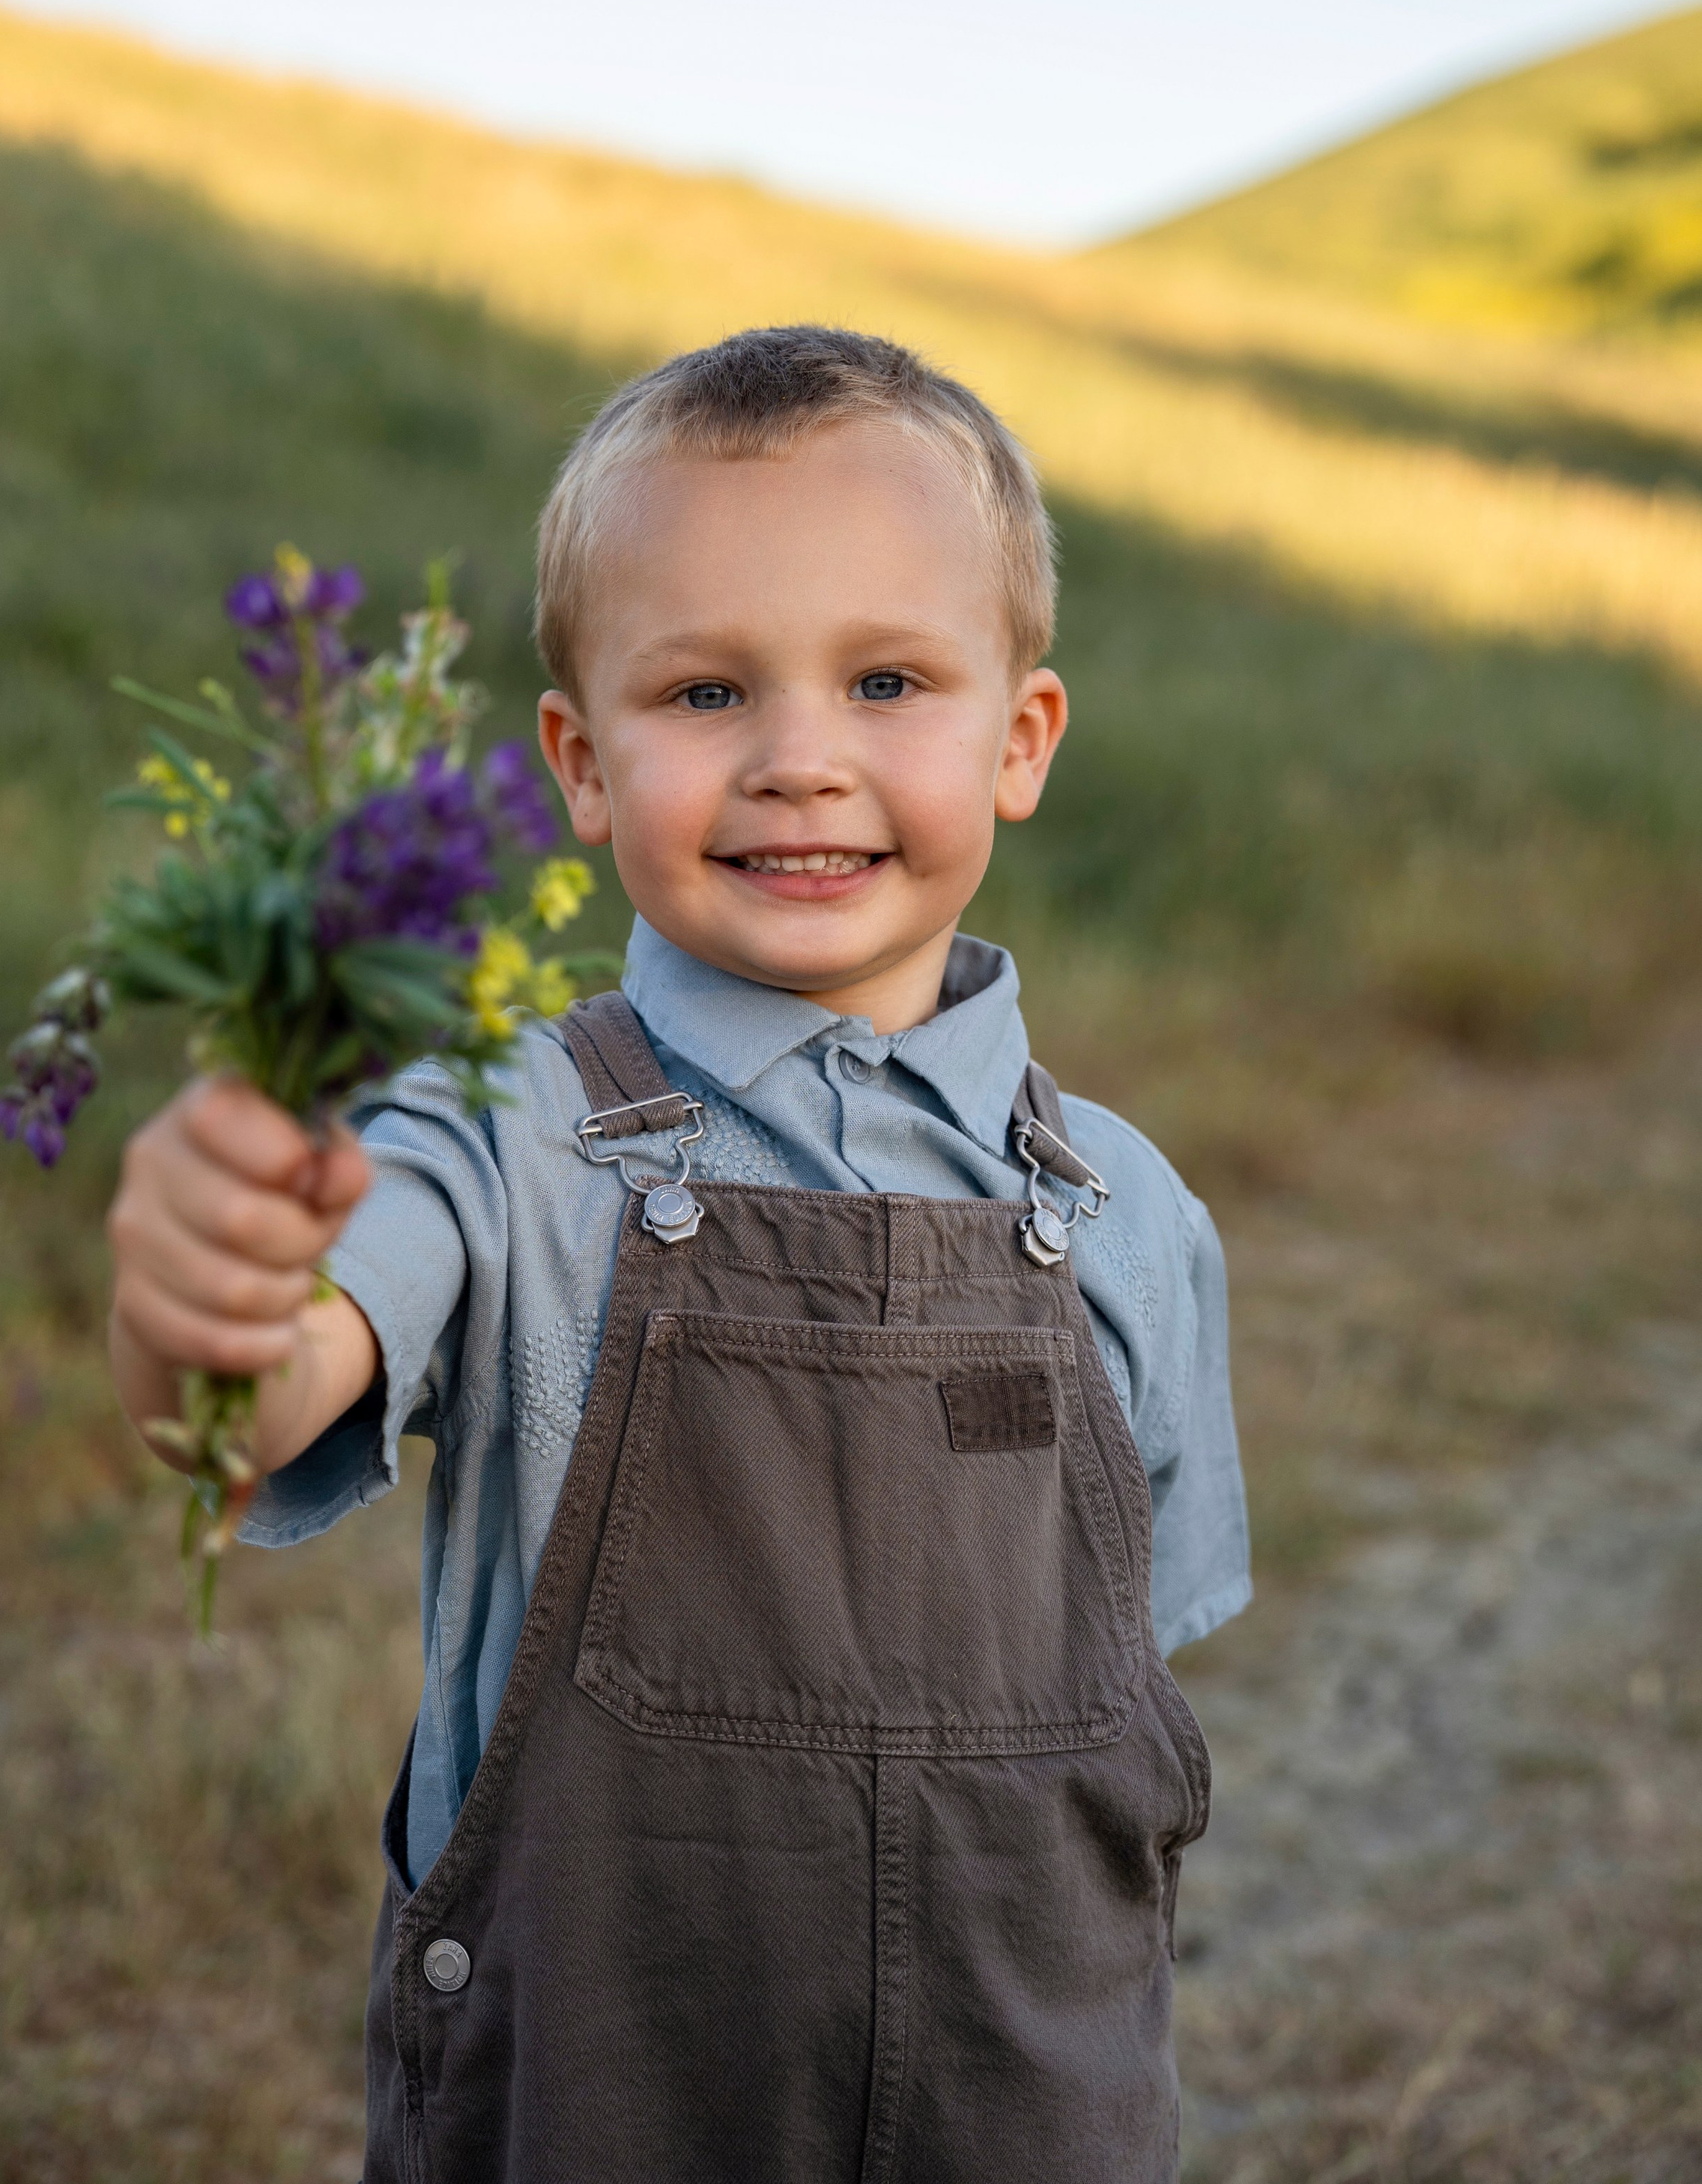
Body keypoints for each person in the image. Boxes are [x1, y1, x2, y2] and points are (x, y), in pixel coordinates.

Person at [106, 324, 1251, 2183]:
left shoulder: (1126, 1209)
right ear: (577, 758)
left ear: (1019, 736)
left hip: (1023, 2102)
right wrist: (211, 1294)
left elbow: (1136, 1686)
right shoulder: (495, 1133)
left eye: (886, 680)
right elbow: (254, 1392)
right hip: (608, 2096)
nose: (800, 761)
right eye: (706, 694)